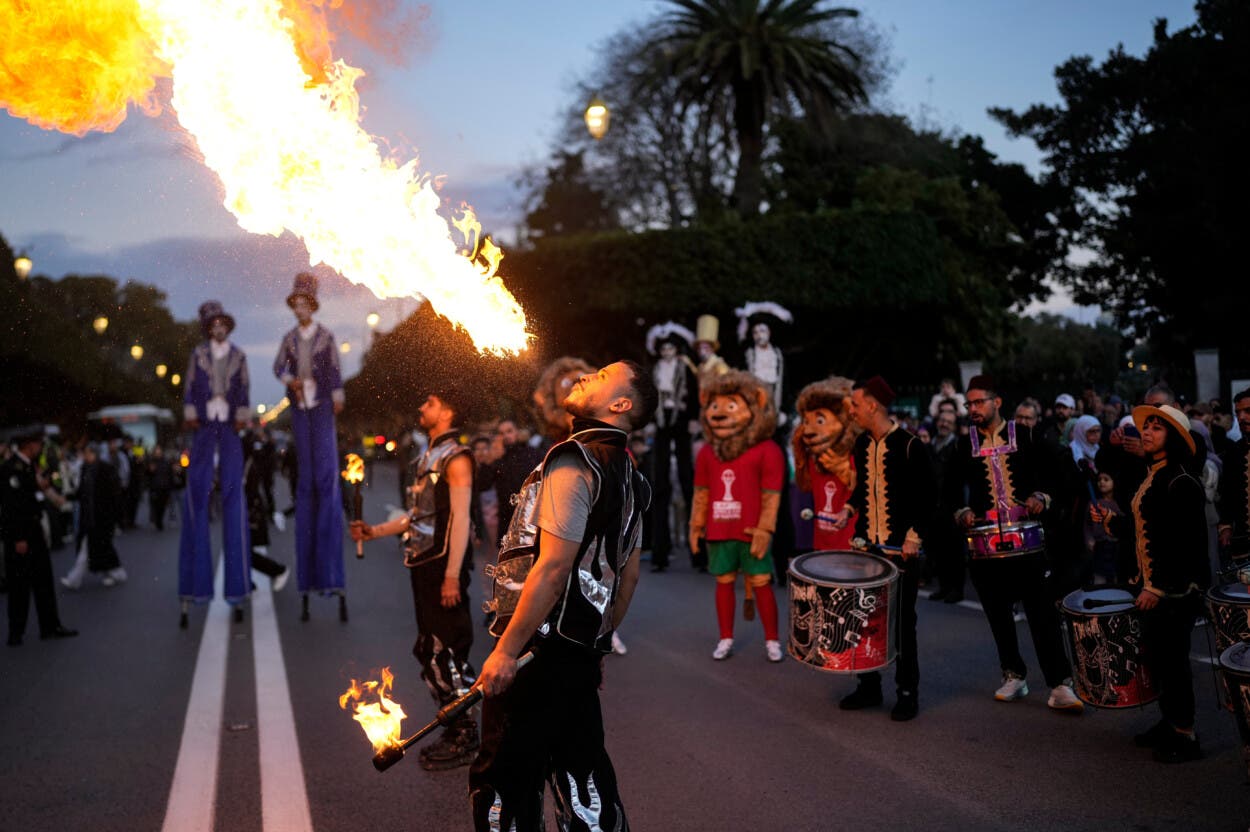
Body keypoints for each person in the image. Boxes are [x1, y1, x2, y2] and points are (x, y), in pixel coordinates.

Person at [469, 360, 654, 831]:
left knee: (505, 780)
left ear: (621, 404)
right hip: (576, 657)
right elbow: (627, 578)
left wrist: (507, 651)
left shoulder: (574, 460)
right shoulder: (633, 478)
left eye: (603, 374)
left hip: (537, 653)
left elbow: (552, 569)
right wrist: (594, 646)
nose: (587, 374)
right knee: (582, 778)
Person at [352, 389, 477, 770]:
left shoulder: (456, 458)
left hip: (442, 566)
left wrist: (453, 575)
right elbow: (417, 517)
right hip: (423, 563)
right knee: (430, 649)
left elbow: (460, 520)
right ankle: (457, 725)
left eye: (431, 403)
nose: (421, 408)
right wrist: (374, 531)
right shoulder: (429, 455)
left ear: (449, 411)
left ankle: (465, 732)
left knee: (445, 651)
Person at [953, 375, 1082, 712]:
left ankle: (1059, 684)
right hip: (985, 549)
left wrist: (1043, 495)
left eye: (979, 402)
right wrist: (962, 509)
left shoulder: (1025, 435)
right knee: (998, 614)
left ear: (997, 403)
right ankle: (1014, 675)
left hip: (1028, 546)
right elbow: (949, 487)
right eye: (969, 404)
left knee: (1042, 615)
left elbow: (1062, 469)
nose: (973, 409)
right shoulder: (962, 444)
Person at [1101, 404, 1209, 763]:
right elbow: (1144, 529)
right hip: (1151, 586)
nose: (1145, 432)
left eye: (1156, 428)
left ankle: (1186, 735)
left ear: (1174, 438)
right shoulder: (1152, 475)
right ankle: (1170, 722)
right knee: (1159, 660)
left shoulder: (1181, 480)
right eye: (1145, 426)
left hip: (1174, 591)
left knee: (1174, 662)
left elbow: (1182, 543)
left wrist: (1157, 587)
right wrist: (1111, 523)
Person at [827, 376, 936, 721]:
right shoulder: (861, 443)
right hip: (867, 549)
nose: (852, 411)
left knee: (903, 624)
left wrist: (914, 537)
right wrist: (847, 509)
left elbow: (929, 497)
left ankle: (907, 692)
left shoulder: (910, 445)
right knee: (863, 621)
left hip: (901, 552)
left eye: (856, 404)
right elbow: (862, 490)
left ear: (872, 405)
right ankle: (868, 686)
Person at [689, 371, 786, 663]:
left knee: (761, 584)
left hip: (751, 531)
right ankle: (725, 637)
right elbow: (701, 492)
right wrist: (696, 525)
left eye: (731, 405)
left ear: (753, 406)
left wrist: (765, 530)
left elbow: (771, 497)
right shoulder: (707, 452)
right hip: (719, 531)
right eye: (715, 405)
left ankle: (772, 640)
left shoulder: (768, 450)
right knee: (723, 583)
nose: (719, 413)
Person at [273, 272, 347, 622]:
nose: (300, 309)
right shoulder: (289, 339)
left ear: (312, 306)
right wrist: (291, 381)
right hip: (300, 410)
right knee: (307, 482)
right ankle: (308, 566)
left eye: (305, 304)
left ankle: (331, 566)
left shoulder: (325, 337)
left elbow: (334, 370)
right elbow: (278, 368)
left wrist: (336, 394)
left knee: (325, 478)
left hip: (320, 409)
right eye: (296, 304)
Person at [179, 301, 252, 628]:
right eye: (213, 325)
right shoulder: (198, 355)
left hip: (229, 430)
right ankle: (194, 588)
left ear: (227, 326)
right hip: (207, 427)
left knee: (234, 500)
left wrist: (241, 414)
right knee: (196, 495)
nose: (218, 329)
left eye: (222, 323)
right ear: (208, 328)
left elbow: (245, 388)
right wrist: (191, 410)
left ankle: (237, 591)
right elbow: (190, 386)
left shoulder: (239, 356)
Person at [2, 425, 78, 646]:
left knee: (43, 581)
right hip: (21, 535)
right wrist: (18, 538)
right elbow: (11, 507)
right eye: (38, 444)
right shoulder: (11, 469)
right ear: (30, 445)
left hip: (34, 531)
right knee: (19, 587)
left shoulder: (28, 467)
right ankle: (16, 632)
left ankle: (50, 626)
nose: (40, 448)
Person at [645, 321, 699, 572]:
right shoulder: (654, 370)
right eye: (663, 349)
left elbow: (696, 395)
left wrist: (694, 420)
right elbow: (649, 397)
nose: (667, 353)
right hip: (661, 423)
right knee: (660, 486)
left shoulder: (686, 369)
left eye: (671, 349)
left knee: (689, 483)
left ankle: (700, 554)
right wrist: (649, 422)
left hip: (681, 422)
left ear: (677, 350)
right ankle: (660, 554)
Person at [61, 443, 125, 590]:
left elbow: (113, 495)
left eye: (88, 453)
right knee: (94, 548)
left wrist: (115, 516)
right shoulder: (86, 469)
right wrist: (70, 497)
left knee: (94, 548)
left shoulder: (105, 469)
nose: (86, 456)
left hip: (101, 517)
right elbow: (82, 491)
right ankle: (114, 573)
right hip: (89, 517)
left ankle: (75, 578)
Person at [927, 408, 965, 603]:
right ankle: (943, 587)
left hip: (952, 507)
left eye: (948, 422)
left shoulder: (957, 447)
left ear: (954, 425)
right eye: (942, 420)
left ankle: (956, 589)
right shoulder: (930, 446)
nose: (944, 424)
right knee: (938, 549)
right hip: (934, 507)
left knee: (954, 551)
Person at [735, 301, 792, 416]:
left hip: (774, 398)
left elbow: (785, 381)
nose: (759, 335)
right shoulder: (749, 354)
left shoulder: (778, 354)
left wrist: (784, 408)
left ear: (769, 333)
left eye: (762, 331)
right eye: (755, 333)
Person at [1218, 387, 1250, 563]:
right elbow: (1227, 494)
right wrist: (1225, 527)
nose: (1242, 417)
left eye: (1248, 411)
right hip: (1243, 545)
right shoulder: (1233, 452)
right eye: (1238, 412)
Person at [146, 445, 175, 531]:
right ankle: (157, 521)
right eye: (156, 451)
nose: (158, 453)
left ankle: (159, 520)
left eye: (159, 451)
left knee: (162, 505)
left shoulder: (166, 462)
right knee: (156, 505)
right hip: (155, 487)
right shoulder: (151, 462)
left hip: (164, 487)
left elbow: (170, 474)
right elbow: (147, 474)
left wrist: (170, 485)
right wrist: (150, 471)